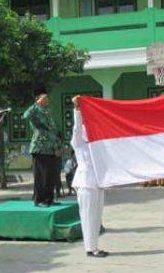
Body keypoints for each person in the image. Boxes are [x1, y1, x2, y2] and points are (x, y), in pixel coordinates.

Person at [70, 96, 108, 258]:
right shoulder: (78, 142)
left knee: (96, 216)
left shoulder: (97, 143)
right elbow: (77, 129)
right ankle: (90, 248)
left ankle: (95, 246)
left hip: (97, 181)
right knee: (88, 215)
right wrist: (77, 111)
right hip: (85, 182)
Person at [24, 87, 62, 207]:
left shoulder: (47, 112)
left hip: (50, 148)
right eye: (44, 98)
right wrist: (36, 104)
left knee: (51, 175)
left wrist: (58, 146)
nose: (47, 100)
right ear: (38, 99)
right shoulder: (34, 110)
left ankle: (49, 199)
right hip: (39, 148)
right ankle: (39, 200)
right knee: (41, 176)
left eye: (47, 98)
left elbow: (53, 130)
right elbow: (25, 116)